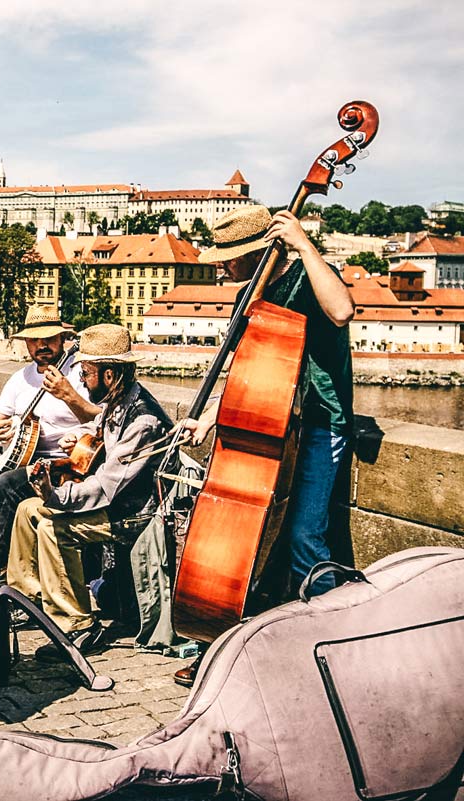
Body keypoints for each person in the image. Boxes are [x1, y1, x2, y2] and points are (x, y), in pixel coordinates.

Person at [172, 205, 355, 687]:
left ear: (259, 252)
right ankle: (232, 641)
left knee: (303, 538)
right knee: (247, 539)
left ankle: (330, 645)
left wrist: (303, 244)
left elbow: (341, 310)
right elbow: (245, 373)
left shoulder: (311, 275)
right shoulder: (247, 296)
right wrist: (209, 416)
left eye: (229, 257)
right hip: (268, 423)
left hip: (318, 422)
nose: (220, 265)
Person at [5, 324, 173, 643]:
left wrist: (55, 495)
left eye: (86, 372)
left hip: (131, 513)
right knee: (27, 510)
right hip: (112, 503)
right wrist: (83, 436)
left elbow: (104, 490)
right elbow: (101, 424)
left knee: (55, 528)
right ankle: (30, 600)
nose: (81, 379)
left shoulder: (143, 421)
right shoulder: (119, 398)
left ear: (109, 374)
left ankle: (78, 624)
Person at [0, 306, 100, 568]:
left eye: (48, 339)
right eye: (34, 340)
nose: (41, 345)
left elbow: (103, 420)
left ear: (61, 339)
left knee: (6, 485)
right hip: (22, 457)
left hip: (62, 464)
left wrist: (68, 394)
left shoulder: (80, 375)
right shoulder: (20, 378)